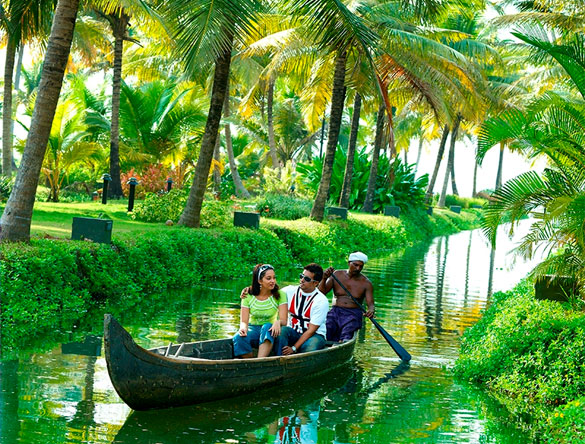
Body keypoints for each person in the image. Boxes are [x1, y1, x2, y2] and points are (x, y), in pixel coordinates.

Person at [233, 264, 288, 358]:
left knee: (267, 326)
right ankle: (250, 363)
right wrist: (243, 328)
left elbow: (284, 321)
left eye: (274, 278)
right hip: (253, 329)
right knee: (238, 337)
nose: (272, 281)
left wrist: (278, 322)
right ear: (260, 281)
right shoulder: (248, 295)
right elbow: (244, 321)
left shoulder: (280, 295)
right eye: (268, 278)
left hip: (270, 331)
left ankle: (260, 361)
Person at [319, 252, 375, 342]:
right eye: (356, 265)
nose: (358, 268)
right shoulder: (337, 275)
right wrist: (324, 278)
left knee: (347, 333)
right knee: (327, 328)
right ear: (349, 263)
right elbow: (321, 293)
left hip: (353, 314)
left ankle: (343, 343)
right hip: (335, 311)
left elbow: (371, 304)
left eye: (361, 266)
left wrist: (371, 311)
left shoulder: (366, 283)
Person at [276, 263, 329, 356]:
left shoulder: (321, 301)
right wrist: (250, 290)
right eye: (301, 276)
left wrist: (293, 348)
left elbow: (311, 331)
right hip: (294, 332)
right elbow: (269, 294)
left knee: (310, 348)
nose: (302, 280)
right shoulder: (289, 291)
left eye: (307, 279)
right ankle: (279, 358)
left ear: (316, 283)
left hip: (314, 335)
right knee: (282, 331)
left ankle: (299, 364)